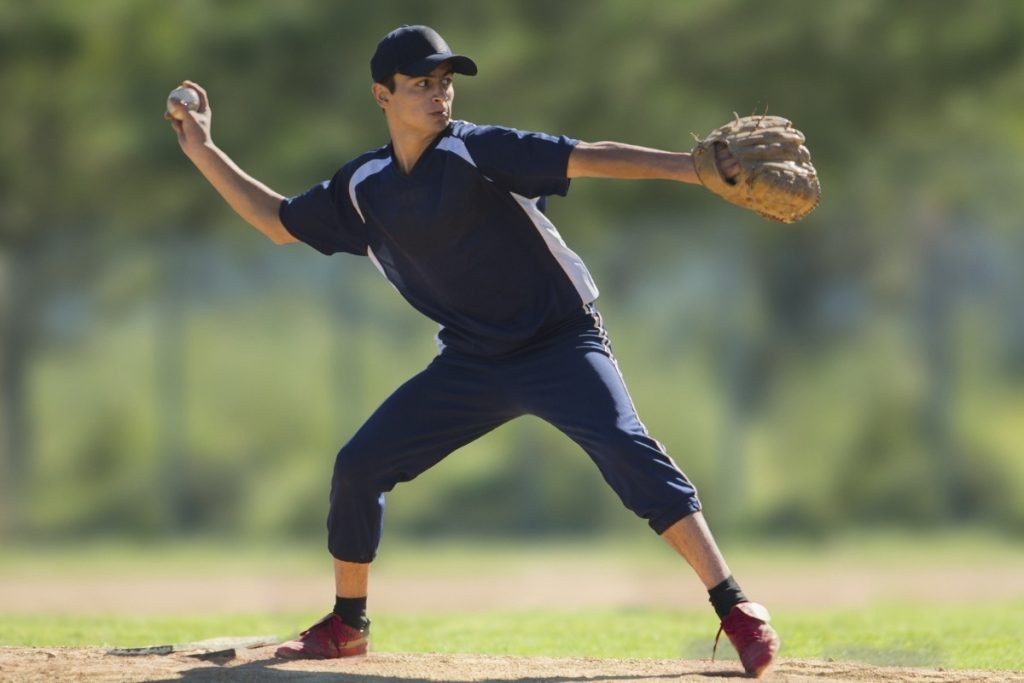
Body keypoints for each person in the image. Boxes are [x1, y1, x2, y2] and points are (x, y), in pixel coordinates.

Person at [166, 24, 780, 678]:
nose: (439, 95)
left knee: (628, 447)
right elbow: (278, 221)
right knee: (358, 464)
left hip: (560, 341)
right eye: (421, 84)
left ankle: (736, 608)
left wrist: (692, 169)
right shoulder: (363, 186)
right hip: (473, 361)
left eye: (446, 82)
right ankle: (347, 625)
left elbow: (590, 155)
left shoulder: (479, 149)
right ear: (383, 95)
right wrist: (203, 149)